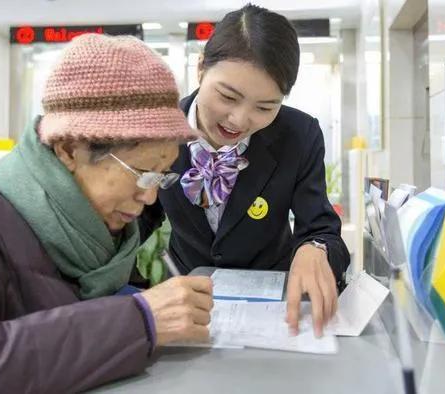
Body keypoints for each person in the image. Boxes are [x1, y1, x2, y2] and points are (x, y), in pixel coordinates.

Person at [0, 34, 214, 393]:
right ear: (70, 150)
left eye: (161, 175)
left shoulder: (101, 231)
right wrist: (137, 322)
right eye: (141, 173)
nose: (149, 196)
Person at [140, 4, 350, 337]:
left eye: (265, 107)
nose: (239, 120)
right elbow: (136, 217)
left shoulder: (299, 135)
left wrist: (316, 249)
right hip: (186, 305)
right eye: (227, 96)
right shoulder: (160, 128)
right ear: (200, 70)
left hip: (274, 309)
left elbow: (321, 227)